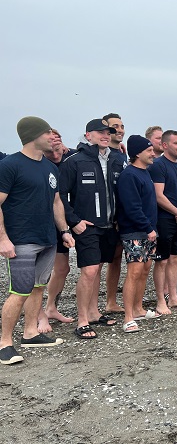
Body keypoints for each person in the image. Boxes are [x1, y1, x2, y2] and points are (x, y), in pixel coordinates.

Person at [0, 116, 74, 365]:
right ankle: (5, 343)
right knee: (18, 291)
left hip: (47, 238)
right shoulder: (10, 165)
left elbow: (56, 202)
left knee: (38, 287)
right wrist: (3, 239)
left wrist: (64, 230)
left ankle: (30, 333)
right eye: (47, 134)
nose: (52, 138)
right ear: (34, 136)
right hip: (21, 240)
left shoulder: (50, 167)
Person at [60, 118, 126, 339]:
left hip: (109, 225)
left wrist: (119, 217)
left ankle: (94, 312)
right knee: (88, 271)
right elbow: (60, 196)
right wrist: (73, 221)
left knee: (97, 268)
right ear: (88, 135)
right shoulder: (75, 162)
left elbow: (118, 192)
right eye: (100, 132)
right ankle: (82, 321)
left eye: (108, 132)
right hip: (87, 226)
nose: (105, 135)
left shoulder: (116, 160)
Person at [116, 135, 159, 333]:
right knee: (134, 272)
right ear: (137, 153)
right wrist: (147, 227)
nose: (153, 154)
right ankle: (128, 317)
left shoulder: (146, 173)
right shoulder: (129, 175)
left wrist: (152, 228)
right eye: (149, 151)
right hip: (134, 230)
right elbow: (132, 207)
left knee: (145, 270)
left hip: (149, 230)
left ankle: (139, 308)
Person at [148, 130, 177, 313]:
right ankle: (161, 300)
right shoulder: (158, 165)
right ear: (165, 145)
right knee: (162, 260)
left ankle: (173, 297)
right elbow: (158, 195)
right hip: (164, 219)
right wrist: (176, 211)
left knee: (176, 258)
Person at [37, 129, 76, 333]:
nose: (55, 154)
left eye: (58, 146)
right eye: (50, 149)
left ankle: (51, 307)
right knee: (39, 273)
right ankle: (39, 315)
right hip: (41, 221)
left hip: (62, 221)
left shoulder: (71, 156)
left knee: (62, 269)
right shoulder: (37, 161)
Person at [103, 113, 128, 313]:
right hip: (101, 217)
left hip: (120, 216)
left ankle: (111, 301)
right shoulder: (99, 153)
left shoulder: (122, 154)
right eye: (114, 127)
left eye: (121, 126)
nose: (119, 130)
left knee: (116, 259)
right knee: (95, 264)